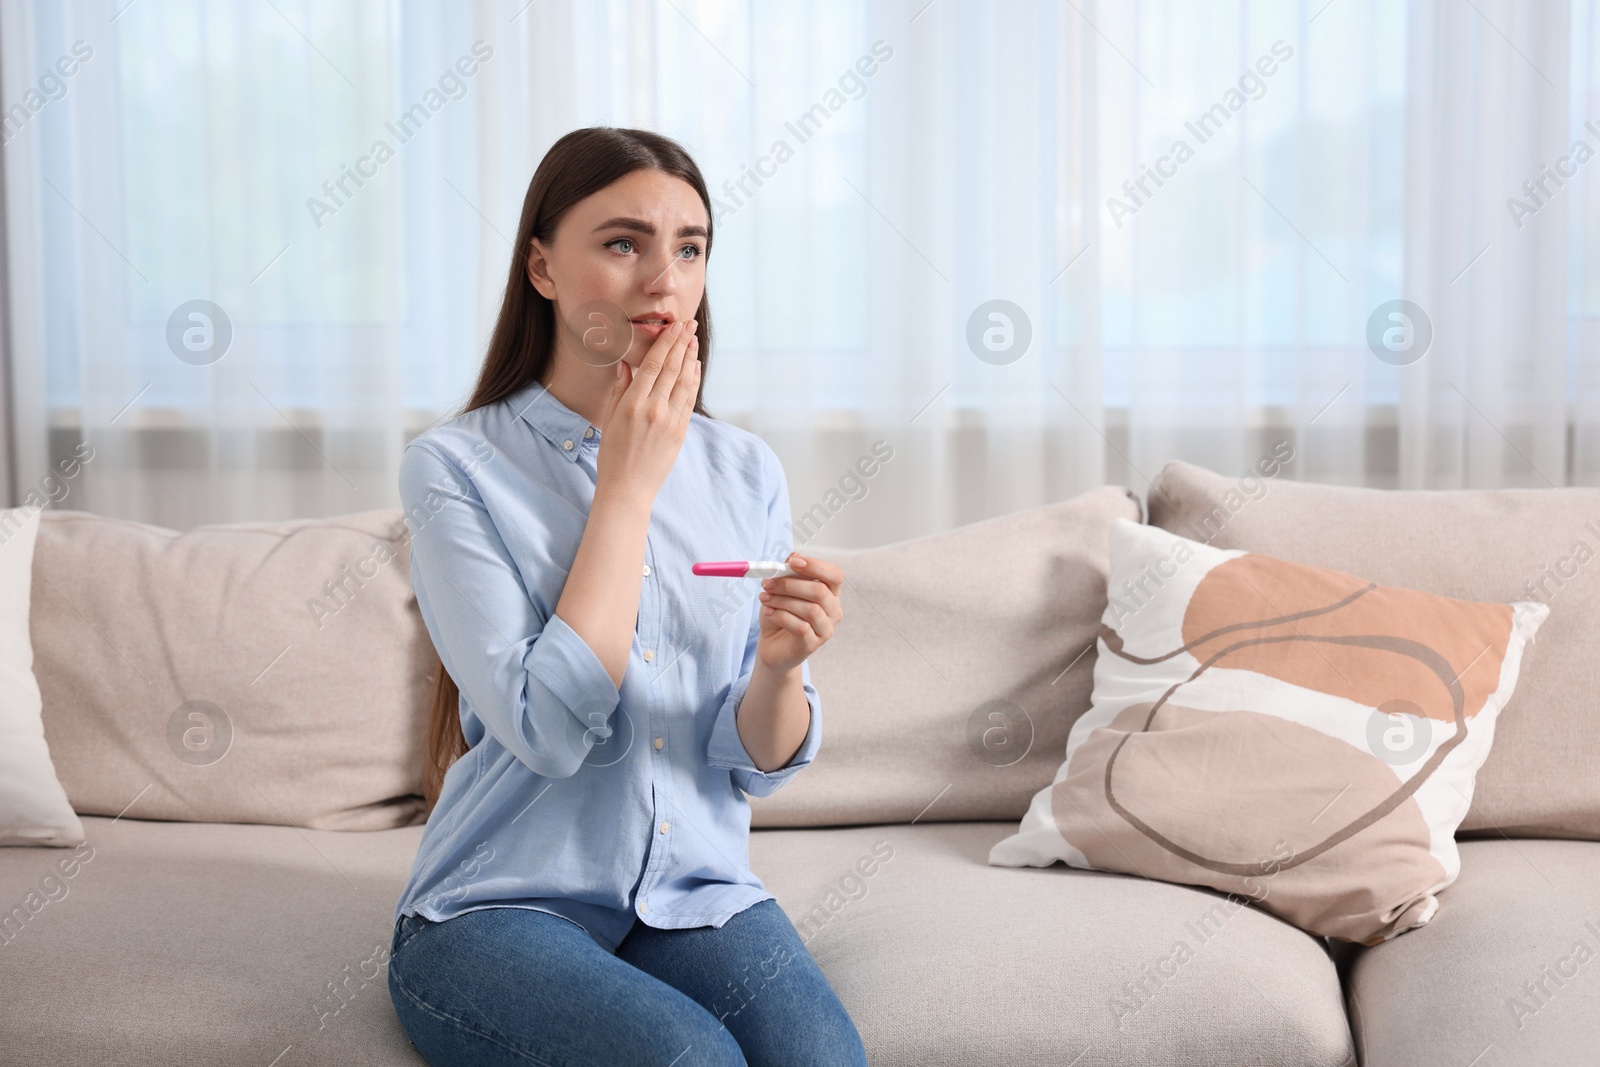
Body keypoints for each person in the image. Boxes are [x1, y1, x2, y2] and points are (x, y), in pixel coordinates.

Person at [385, 126, 868, 1066]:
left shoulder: (744, 469)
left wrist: (782, 668)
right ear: (542, 266)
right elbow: (550, 731)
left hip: (694, 894)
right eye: (623, 242)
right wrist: (626, 489)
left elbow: (753, 759)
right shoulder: (454, 468)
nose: (665, 278)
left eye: (689, 248)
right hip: (495, 904)